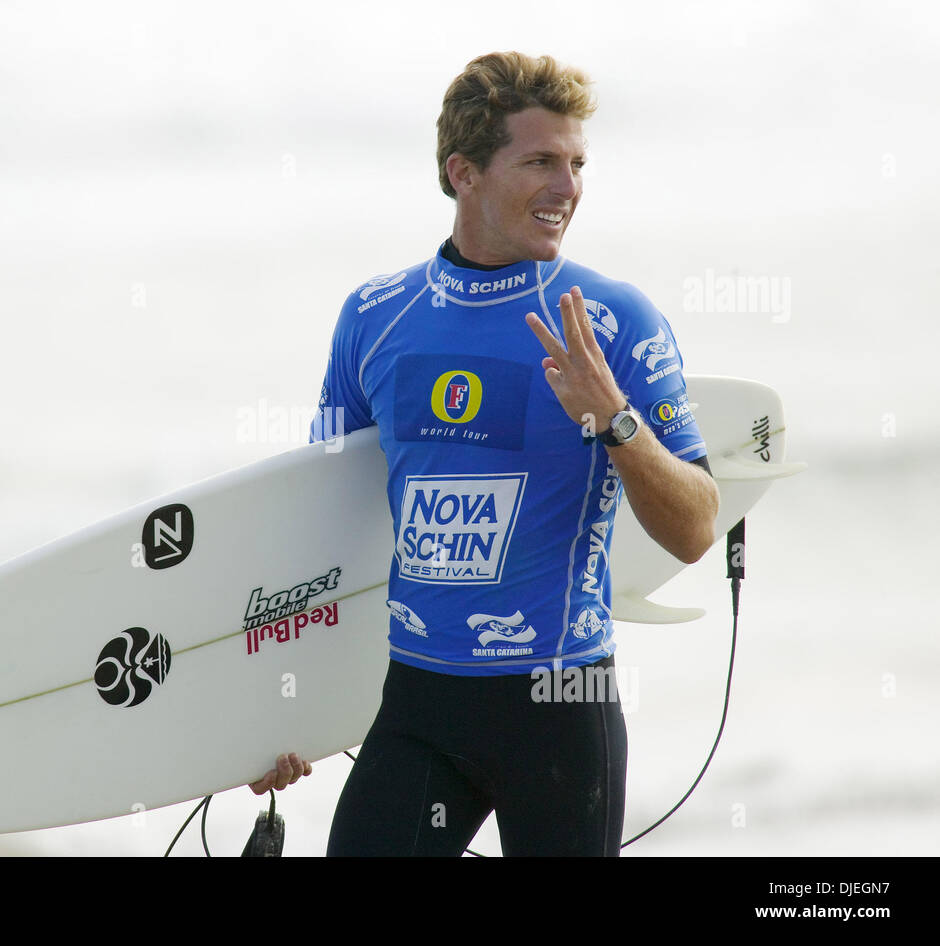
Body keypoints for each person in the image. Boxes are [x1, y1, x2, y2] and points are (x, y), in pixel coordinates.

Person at [249, 51, 719, 856]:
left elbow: (696, 528)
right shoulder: (376, 316)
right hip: (419, 704)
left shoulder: (613, 320)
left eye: (576, 164)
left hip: (562, 701)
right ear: (462, 171)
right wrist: (287, 715)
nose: (567, 187)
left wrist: (615, 421)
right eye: (540, 161)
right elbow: (324, 530)